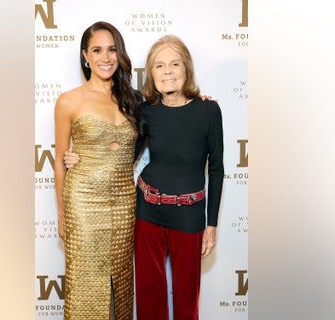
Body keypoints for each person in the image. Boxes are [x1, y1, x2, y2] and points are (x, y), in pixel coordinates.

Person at [65, 35, 224, 320]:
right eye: (159, 66)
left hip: (189, 215)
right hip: (147, 213)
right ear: (151, 73)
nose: (168, 72)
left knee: (188, 303)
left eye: (175, 64)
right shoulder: (146, 110)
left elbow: (216, 169)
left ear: (186, 68)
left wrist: (211, 224)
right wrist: (78, 155)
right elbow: (123, 152)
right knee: (150, 300)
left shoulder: (209, 110)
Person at [53, 21, 141, 320]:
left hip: (124, 203)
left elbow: (169, 115)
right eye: (97, 50)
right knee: (86, 283)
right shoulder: (68, 101)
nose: (106, 57)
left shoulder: (134, 99)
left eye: (112, 49)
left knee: (121, 283)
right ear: (85, 56)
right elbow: (59, 160)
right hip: (84, 202)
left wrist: (201, 103)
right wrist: (63, 215)